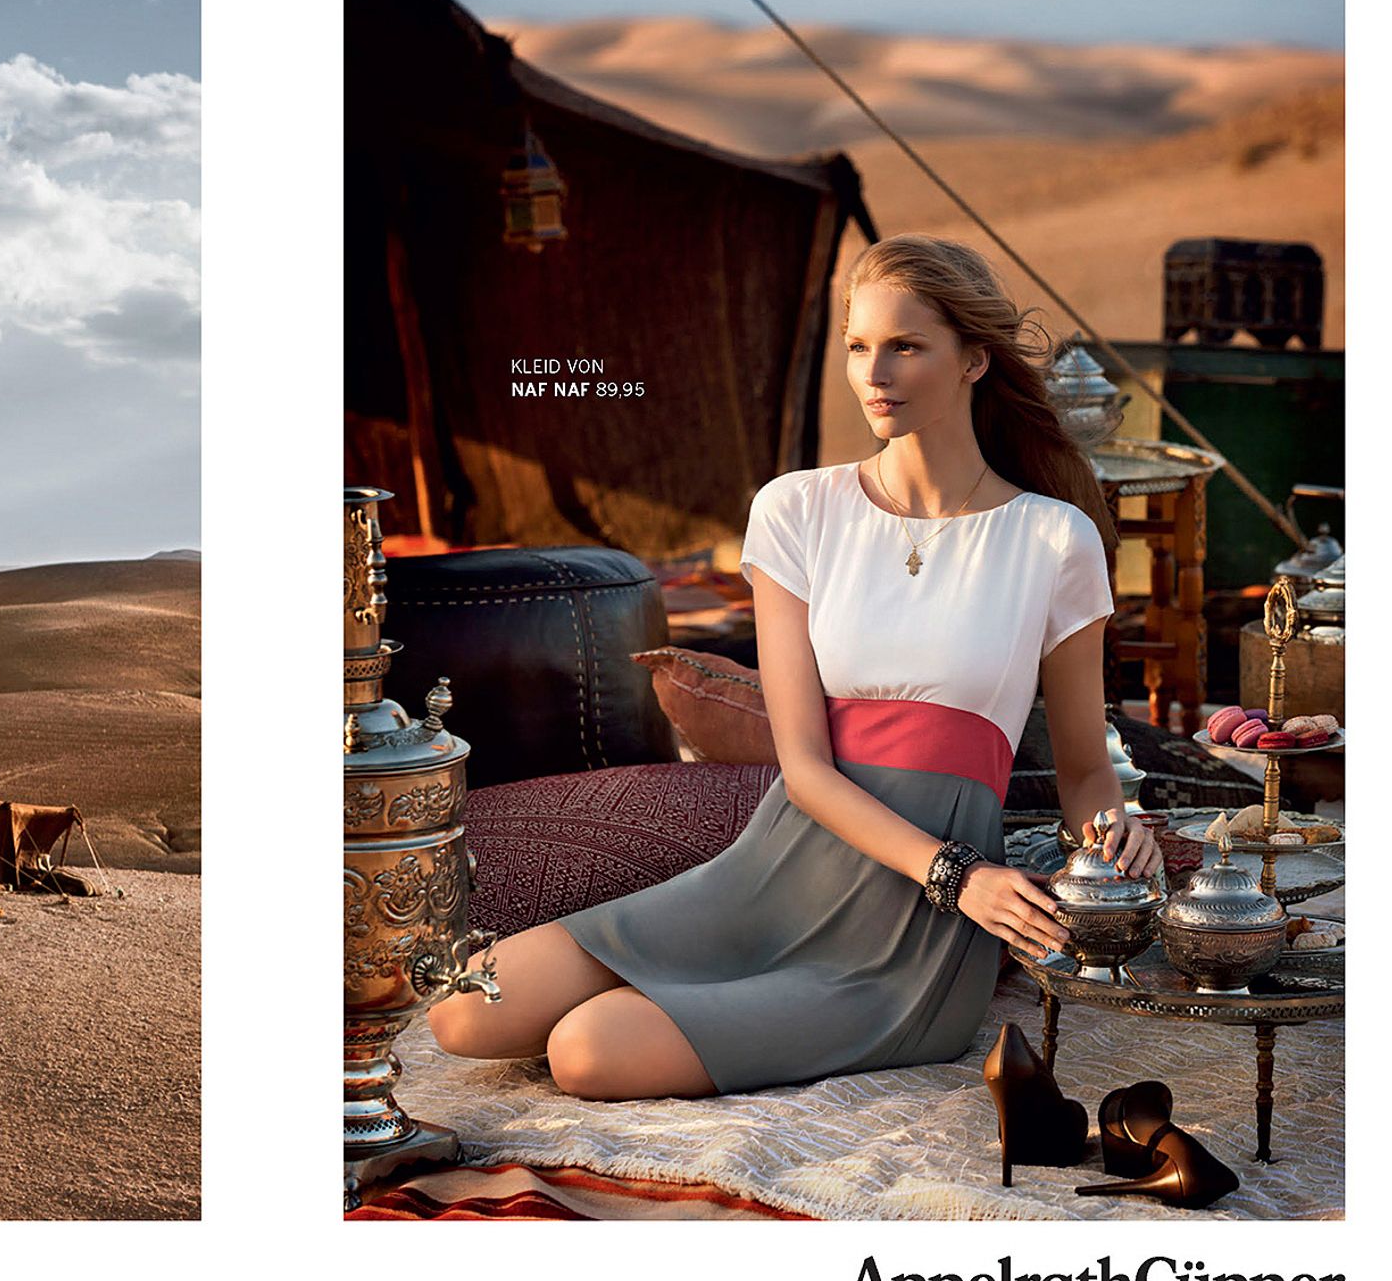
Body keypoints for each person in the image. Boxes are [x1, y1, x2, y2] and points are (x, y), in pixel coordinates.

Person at [427, 233, 1162, 1100]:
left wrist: (1114, 839)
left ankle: (709, 1011)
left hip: (906, 938)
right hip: (782, 869)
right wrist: (959, 875)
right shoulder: (797, 509)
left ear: (974, 360)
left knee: (586, 1051)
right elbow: (805, 769)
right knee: (462, 1012)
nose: (874, 374)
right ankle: (695, 994)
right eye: (858, 346)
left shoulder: (1053, 537)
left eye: (905, 346)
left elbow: (1084, 768)